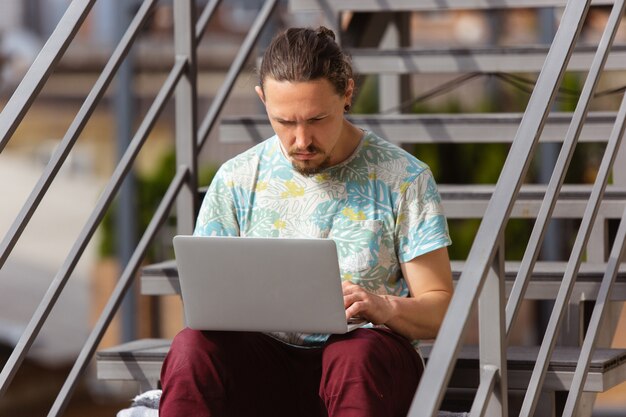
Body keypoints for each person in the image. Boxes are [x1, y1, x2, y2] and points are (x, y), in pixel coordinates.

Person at [159, 26, 453, 417]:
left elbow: (440, 309)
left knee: (354, 355)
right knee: (191, 347)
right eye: (284, 121)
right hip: (265, 366)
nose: (301, 140)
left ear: (347, 93)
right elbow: (206, 303)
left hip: (364, 363)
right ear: (263, 100)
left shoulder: (403, 178)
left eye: (316, 119)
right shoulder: (236, 178)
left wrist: (385, 308)